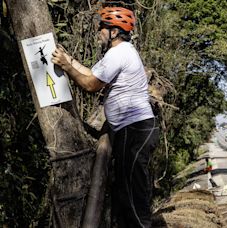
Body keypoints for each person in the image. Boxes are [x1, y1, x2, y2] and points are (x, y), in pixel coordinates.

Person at [51, 7, 159, 228]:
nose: (99, 30)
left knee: (132, 193)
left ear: (114, 31)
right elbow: (91, 73)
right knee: (124, 190)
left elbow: (90, 84)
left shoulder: (120, 53)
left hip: (136, 129)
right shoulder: (117, 53)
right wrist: (68, 59)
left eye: (102, 27)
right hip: (130, 130)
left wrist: (66, 67)